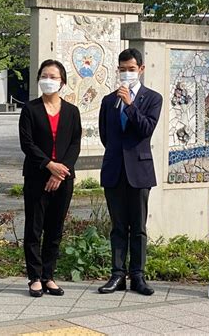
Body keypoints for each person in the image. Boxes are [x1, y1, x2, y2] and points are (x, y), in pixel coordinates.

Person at [97, 48, 163, 296]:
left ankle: (138, 275)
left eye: (131, 69)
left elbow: (146, 129)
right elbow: (106, 136)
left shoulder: (152, 98)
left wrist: (130, 105)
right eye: (122, 70)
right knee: (117, 226)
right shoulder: (108, 101)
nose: (126, 74)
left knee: (138, 226)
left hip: (140, 170)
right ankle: (117, 275)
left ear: (141, 69)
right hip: (114, 169)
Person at [19, 59, 82, 297]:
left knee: (55, 229)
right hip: (37, 176)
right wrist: (49, 166)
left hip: (64, 178)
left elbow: (75, 144)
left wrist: (61, 170)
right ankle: (34, 277)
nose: (49, 80)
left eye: (54, 77)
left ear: (62, 81)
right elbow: (27, 143)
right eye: (44, 75)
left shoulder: (72, 111)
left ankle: (49, 275)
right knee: (34, 228)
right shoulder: (30, 109)